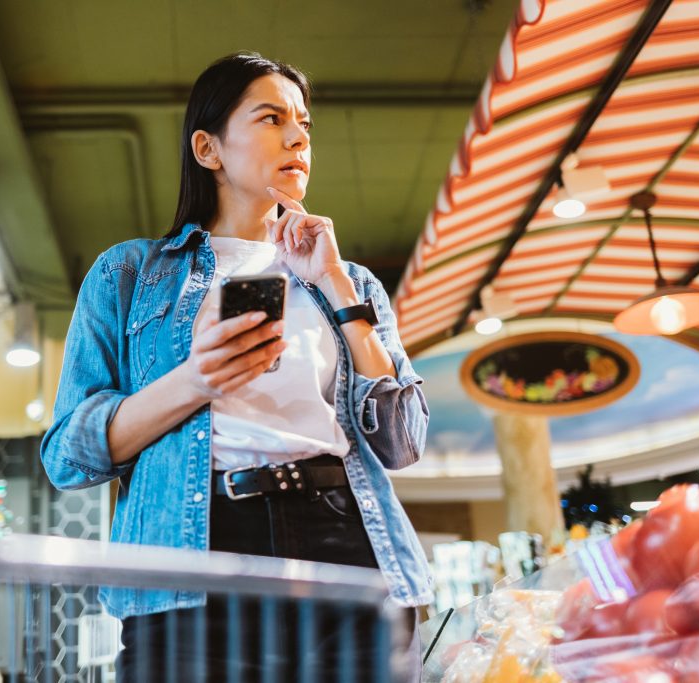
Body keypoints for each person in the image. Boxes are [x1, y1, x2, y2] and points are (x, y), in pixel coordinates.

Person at [41, 52, 434, 682]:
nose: (299, 136)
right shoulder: (133, 273)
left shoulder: (349, 280)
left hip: (349, 547)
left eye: (304, 123)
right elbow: (67, 455)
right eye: (271, 118)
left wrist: (334, 282)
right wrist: (196, 380)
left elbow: (404, 441)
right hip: (192, 557)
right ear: (208, 148)